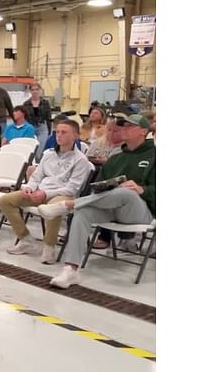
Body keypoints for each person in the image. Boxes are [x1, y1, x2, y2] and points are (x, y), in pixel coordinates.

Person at [39, 113, 155, 289]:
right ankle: (71, 269)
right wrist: (103, 187)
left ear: (143, 131)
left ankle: (69, 204)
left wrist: (142, 189)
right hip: (111, 207)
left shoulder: (156, 156)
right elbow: (99, 185)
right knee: (82, 213)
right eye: (123, 125)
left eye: (129, 126)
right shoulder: (117, 157)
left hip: (141, 210)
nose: (124, 129)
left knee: (127, 192)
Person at [0, 119, 92, 264]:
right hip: (40, 191)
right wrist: (29, 187)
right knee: (5, 200)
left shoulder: (81, 160)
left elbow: (72, 188)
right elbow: (37, 176)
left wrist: (46, 194)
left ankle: (49, 246)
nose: (59, 136)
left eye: (64, 132)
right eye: (57, 132)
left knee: (52, 209)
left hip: (63, 195)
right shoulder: (48, 154)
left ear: (75, 136)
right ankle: (26, 239)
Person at [22, 82, 52, 158]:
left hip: (42, 126)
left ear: (40, 90)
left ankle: (38, 164)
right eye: (33, 90)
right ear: (30, 91)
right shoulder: (26, 104)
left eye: (37, 89)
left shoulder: (45, 103)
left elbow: (48, 117)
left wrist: (49, 130)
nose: (35, 91)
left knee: (39, 149)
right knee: (30, 147)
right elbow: (24, 118)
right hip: (30, 127)